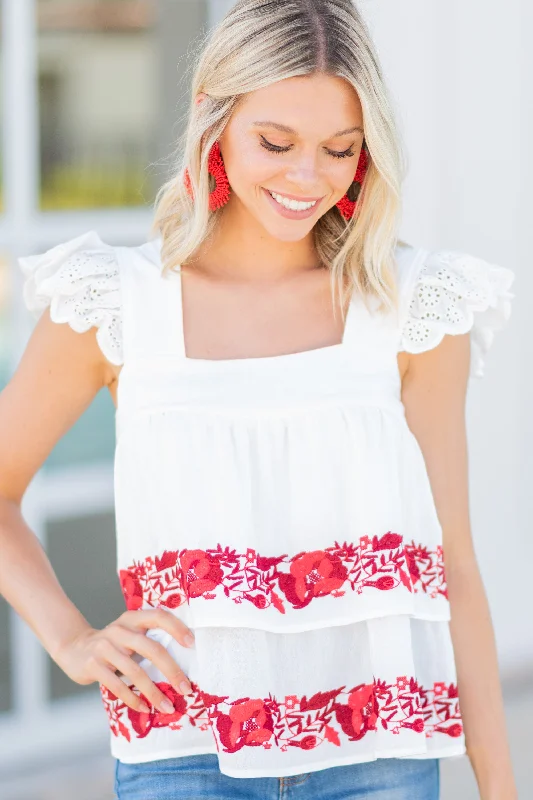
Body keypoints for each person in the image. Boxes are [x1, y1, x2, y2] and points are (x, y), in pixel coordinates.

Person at [0, 1, 518, 798]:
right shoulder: (113, 303)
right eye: (275, 143)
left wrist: (497, 782)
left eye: (340, 150)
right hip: (180, 753)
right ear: (213, 120)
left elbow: (453, 563)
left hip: (380, 756)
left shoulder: (415, 306)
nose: (306, 177)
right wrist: (69, 638)